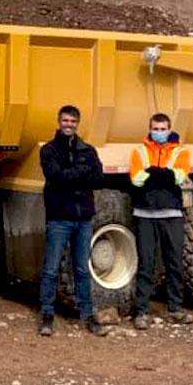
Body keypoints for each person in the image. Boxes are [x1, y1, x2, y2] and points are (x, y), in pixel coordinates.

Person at [38, 105, 110, 337]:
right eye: (65, 121)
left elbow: (99, 179)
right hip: (59, 218)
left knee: (82, 269)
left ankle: (88, 314)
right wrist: (81, 172)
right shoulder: (49, 150)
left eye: (73, 122)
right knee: (50, 269)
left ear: (78, 124)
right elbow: (55, 177)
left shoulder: (88, 150)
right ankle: (47, 314)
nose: (69, 125)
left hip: (83, 219)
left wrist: (74, 174)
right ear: (59, 122)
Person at [129, 112, 193, 330]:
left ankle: (175, 309)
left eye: (162, 129)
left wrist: (154, 173)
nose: (159, 133)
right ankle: (141, 311)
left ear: (169, 129)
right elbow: (136, 179)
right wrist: (164, 174)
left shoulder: (180, 151)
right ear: (149, 129)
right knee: (146, 264)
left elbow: (180, 176)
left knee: (174, 262)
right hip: (144, 213)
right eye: (155, 129)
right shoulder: (139, 151)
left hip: (171, 214)